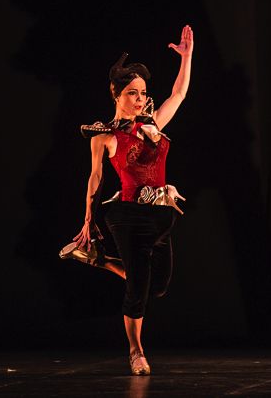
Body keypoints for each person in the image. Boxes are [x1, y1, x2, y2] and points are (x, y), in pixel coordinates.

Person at [59, 24, 194, 375]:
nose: (139, 99)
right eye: (132, 93)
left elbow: (178, 95)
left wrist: (187, 57)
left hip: (161, 216)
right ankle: (136, 352)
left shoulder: (153, 125)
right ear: (116, 95)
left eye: (143, 93)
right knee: (137, 287)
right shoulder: (104, 136)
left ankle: (100, 260)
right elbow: (95, 177)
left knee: (157, 287)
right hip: (127, 216)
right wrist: (88, 219)